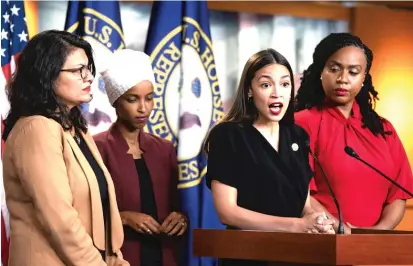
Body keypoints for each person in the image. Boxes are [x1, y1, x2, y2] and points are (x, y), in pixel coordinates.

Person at [2, 30, 128, 266]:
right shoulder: (36, 128)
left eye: (88, 68)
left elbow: (100, 210)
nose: (89, 77)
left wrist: (115, 260)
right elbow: (60, 219)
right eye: (78, 70)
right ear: (46, 75)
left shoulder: (76, 129)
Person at [204, 49, 335, 266]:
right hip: (249, 255)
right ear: (249, 90)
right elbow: (227, 212)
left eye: (285, 84)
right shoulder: (229, 135)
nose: (277, 93)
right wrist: (296, 225)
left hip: (297, 255)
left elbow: (304, 206)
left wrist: (317, 221)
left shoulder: (298, 135)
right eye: (266, 85)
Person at [295, 33, 413, 234]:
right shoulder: (301, 123)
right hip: (322, 242)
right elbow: (299, 193)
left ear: (364, 78)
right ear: (320, 71)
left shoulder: (384, 129)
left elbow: (397, 195)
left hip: (373, 250)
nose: (343, 79)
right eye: (334, 69)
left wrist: (373, 235)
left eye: (353, 72)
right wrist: (339, 229)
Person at [94, 49, 187, 266]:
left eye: (150, 98)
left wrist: (181, 218)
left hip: (164, 255)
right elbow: (83, 212)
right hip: (120, 257)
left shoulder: (164, 149)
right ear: (116, 101)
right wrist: (124, 217)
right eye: (132, 99)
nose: (143, 108)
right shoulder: (96, 148)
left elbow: (178, 203)